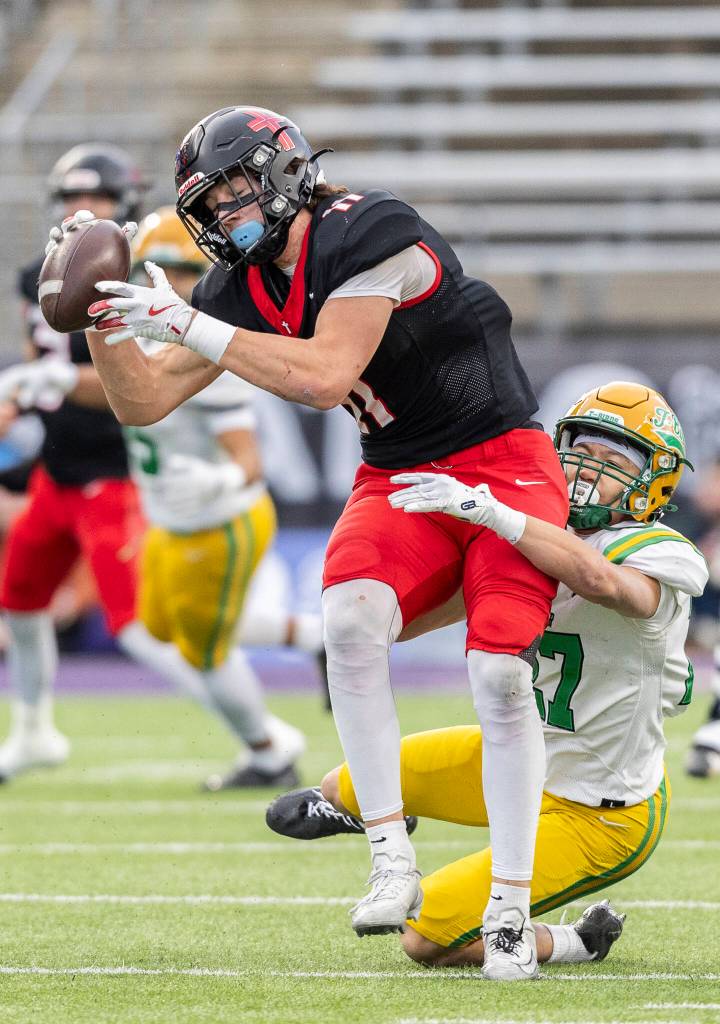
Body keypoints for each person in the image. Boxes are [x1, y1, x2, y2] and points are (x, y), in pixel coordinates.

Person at [80, 106, 569, 978]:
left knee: (497, 672)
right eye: (211, 202)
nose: (227, 214)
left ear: (284, 170)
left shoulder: (373, 230)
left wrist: (186, 322)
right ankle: (389, 854)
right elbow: (141, 401)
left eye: (236, 191)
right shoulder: (236, 288)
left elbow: (323, 376)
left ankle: (510, 902)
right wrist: (100, 315)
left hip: (499, 462)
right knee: (346, 623)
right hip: (399, 476)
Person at [267, 380, 707, 977]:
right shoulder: (531, 529)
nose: (586, 470)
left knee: (426, 940)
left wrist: (496, 513)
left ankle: (574, 939)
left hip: (598, 807)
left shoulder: (663, 552)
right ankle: (382, 815)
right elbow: (434, 611)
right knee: (346, 785)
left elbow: (603, 582)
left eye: (613, 460)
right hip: (518, 758)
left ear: (653, 481)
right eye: (582, 449)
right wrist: (367, 619)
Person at [125, 206, 305, 789]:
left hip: (219, 519)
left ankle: (270, 751)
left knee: (204, 653)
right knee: (158, 628)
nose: (162, 285)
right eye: (151, 270)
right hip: (170, 520)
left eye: (179, 271)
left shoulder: (203, 353)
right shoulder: (135, 340)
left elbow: (250, 464)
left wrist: (218, 481)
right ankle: (312, 637)